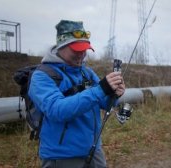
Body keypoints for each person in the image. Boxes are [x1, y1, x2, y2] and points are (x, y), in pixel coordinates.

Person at [28, 20, 125, 168]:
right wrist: (101, 89)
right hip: (61, 157)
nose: (81, 54)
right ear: (61, 46)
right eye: (76, 49)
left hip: (94, 150)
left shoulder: (86, 72)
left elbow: (104, 103)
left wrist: (114, 94)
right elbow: (57, 110)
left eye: (84, 49)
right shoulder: (42, 76)